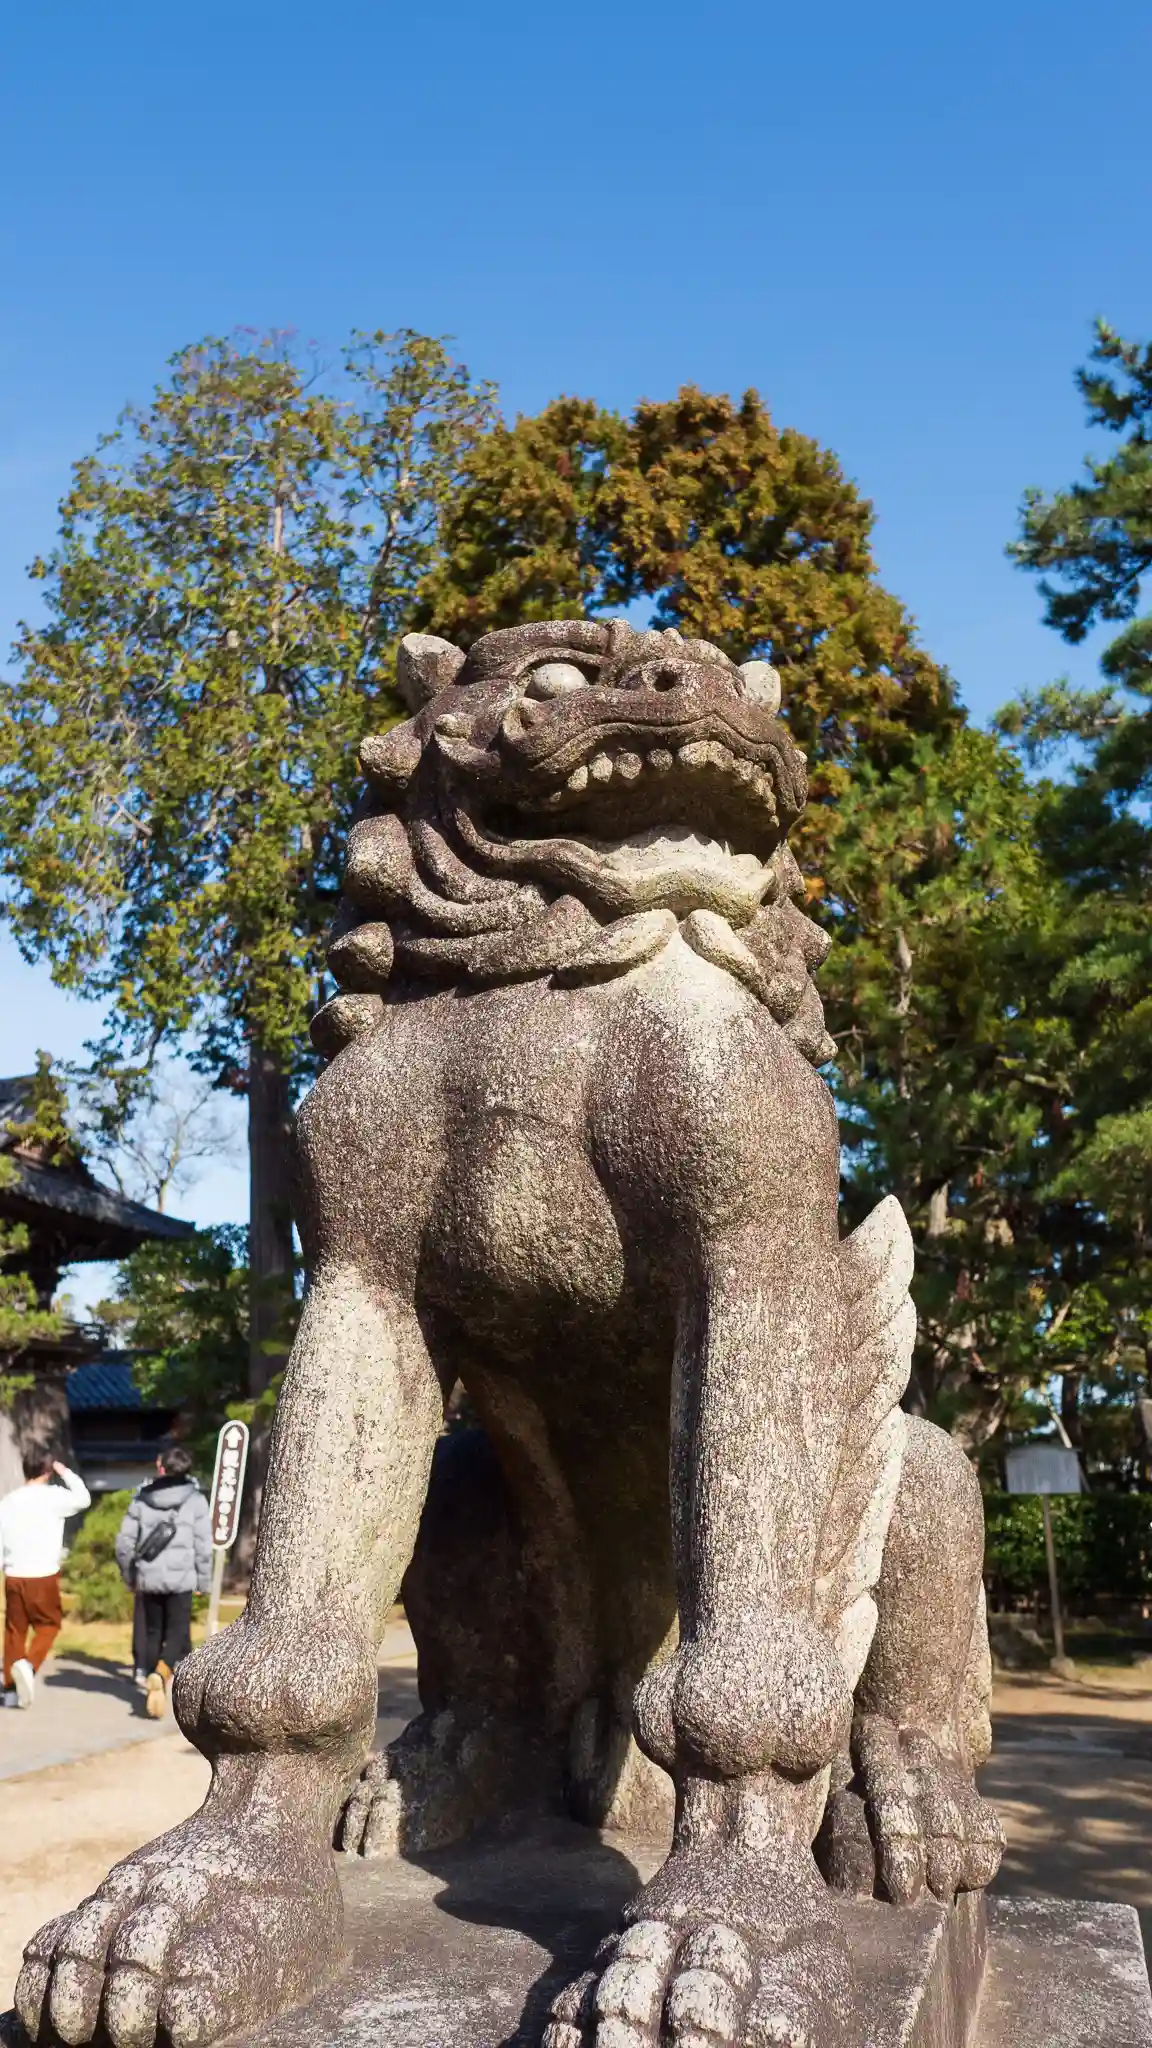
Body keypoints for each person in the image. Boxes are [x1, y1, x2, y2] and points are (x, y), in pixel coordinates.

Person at [115, 1446, 211, 1717]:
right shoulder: (196, 1501)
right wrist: (203, 1581)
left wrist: (130, 1575)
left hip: (148, 1577)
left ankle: (152, 1683)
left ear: (162, 1467)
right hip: (182, 1578)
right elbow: (203, 1547)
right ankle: (161, 1672)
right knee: (178, 1631)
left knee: (153, 1632)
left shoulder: (142, 1499)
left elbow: (123, 1543)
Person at [1, 1447, 91, 1709]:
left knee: (14, 1631)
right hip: (43, 1574)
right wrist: (66, 1472)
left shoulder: (9, 1501)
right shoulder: (55, 1497)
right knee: (49, 1625)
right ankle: (29, 1665)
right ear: (48, 1471)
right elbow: (84, 1499)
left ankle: (10, 1689)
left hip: (13, 1573)